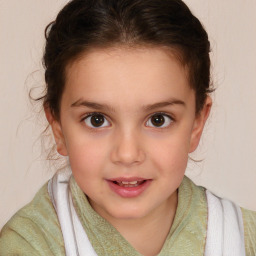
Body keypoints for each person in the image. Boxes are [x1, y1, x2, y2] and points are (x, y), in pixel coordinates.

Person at [0, 0, 255, 255]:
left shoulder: (245, 238)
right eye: (96, 120)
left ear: (197, 123)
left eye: (158, 119)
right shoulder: (27, 245)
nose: (127, 154)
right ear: (57, 127)